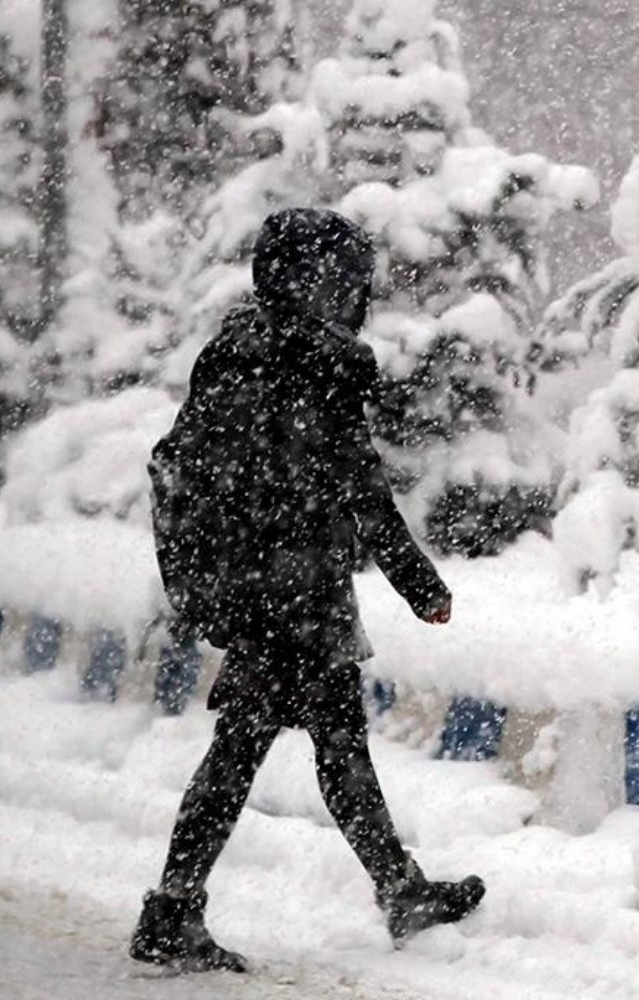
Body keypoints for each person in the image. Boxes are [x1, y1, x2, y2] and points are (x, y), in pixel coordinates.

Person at [131, 208, 484, 973]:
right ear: (316, 282)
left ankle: (391, 889)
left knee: (303, 743)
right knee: (279, 749)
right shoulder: (315, 365)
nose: (355, 295)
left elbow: (196, 466)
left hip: (256, 589)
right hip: (292, 594)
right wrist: (422, 586)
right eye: (346, 281)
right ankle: (177, 907)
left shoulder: (234, 352)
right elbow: (363, 491)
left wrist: (219, 577)